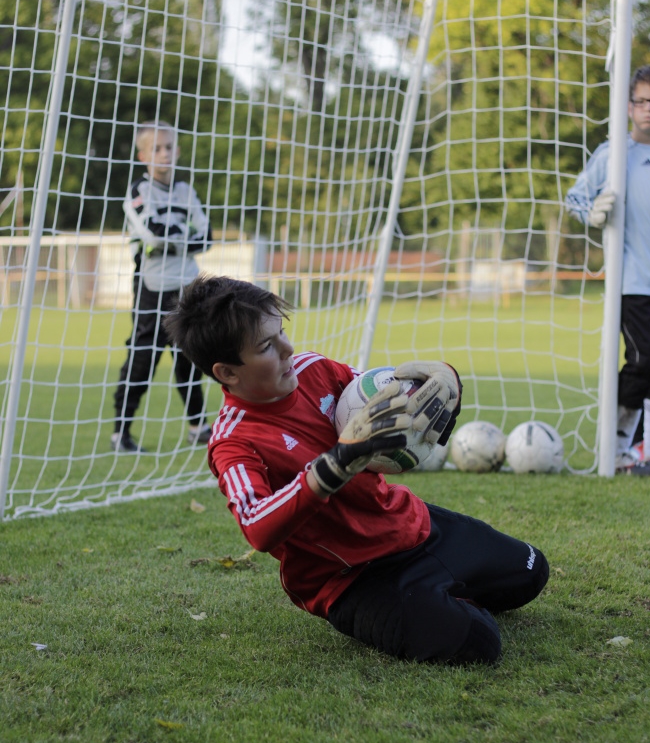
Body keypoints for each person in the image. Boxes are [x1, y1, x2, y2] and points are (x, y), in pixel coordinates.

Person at [165, 275, 549, 666]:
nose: (288, 348)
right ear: (228, 372)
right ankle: (431, 602)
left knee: (532, 571)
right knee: (479, 644)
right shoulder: (233, 442)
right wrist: (335, 464)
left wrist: (446, 378)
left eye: (282, 332)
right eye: (266, 346)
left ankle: (439, 591)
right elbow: (256, 524)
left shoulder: (316, 369)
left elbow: (392, 394)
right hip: (352, 578)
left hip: (410, 526)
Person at [565, 63, 650, 476]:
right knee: (644, 360)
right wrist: (592, 213)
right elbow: (575, 198)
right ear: (628, 106)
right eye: (641, 101)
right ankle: (617, 448)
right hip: (634, 282)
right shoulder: (612, 154)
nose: (649, 109)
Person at [111, 121, 214, 452]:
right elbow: (153, 232)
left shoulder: (186, 192)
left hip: (188, 285)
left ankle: (199, 427)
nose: (164, 153)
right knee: (143, 359)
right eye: (156, 148)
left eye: (169, 147)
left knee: (191, 356)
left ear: (178, 151)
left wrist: (174, 240)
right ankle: (121, 433)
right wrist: (181, 236)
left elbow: (206, 236)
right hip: (153, 287)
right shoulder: (138, 191)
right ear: (143, 155)